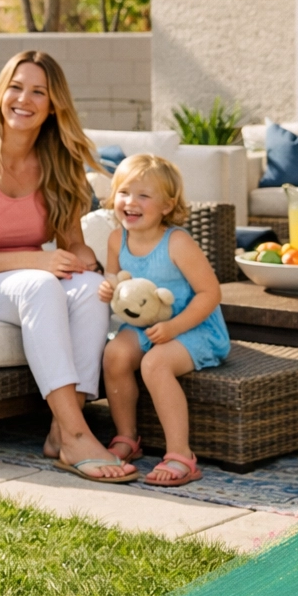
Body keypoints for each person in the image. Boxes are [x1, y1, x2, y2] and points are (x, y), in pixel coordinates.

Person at [0, 50, 137, 483]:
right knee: (40, 285)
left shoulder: (57, 161)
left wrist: (103, 268)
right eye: (15, 86)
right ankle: (78, 435)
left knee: (85, 288)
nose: (23, 99)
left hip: (28, 279)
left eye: (38, 91)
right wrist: (36, 259)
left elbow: (73, 247)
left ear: (53, 105)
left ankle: (60, 431)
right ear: (1, 93)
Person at [98, 154, 229, 487]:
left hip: (194, 328)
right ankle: (127, 438)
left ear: (167, 206)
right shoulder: (117, 240)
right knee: (114, 355)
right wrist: (107, 287)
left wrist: (174, 328)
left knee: (154, 364)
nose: (131, 202)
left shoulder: (177, 242)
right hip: (145, 327)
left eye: (144, 195)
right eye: (125, 192)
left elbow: (210, 294)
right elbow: (118, 282)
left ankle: (181, 455)